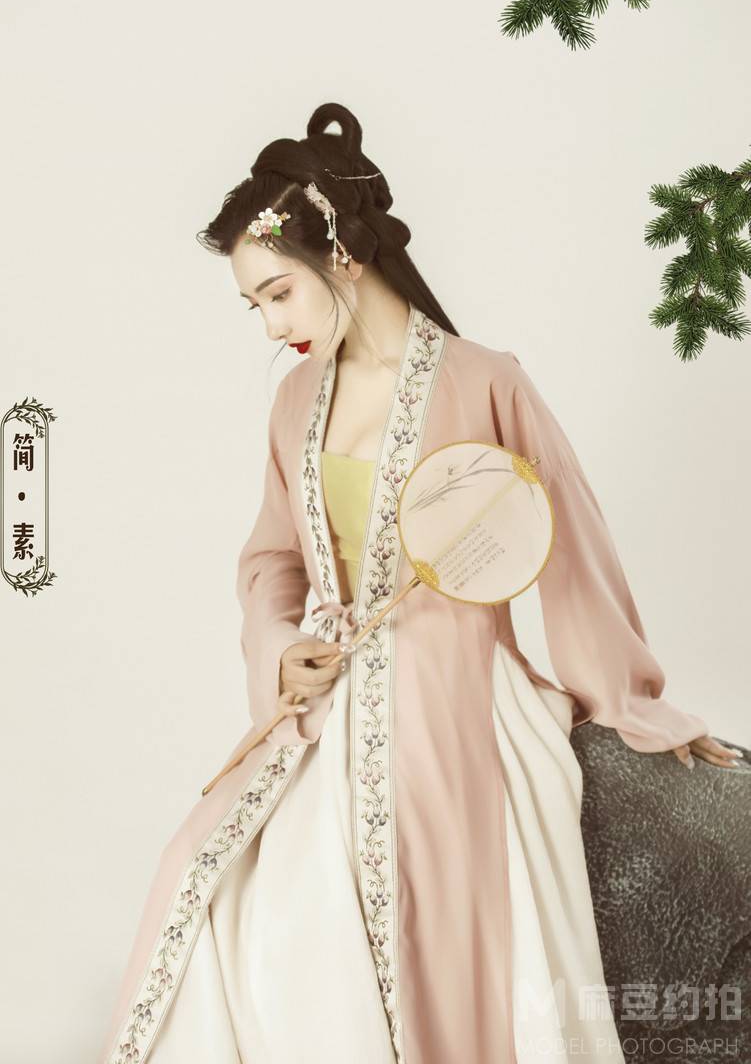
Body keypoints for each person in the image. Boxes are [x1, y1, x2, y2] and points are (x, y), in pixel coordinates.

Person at [99, 102, 740, 1064]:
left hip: (456, 694)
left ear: (340, 255)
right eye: (255, 305)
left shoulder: (484, 380)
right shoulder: (295, 399)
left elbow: (570, 549)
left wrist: (631, 703)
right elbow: (272, 559)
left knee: (420, 901)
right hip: (325, 703)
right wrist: (280, 649)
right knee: (205, 871)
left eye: (279, 293)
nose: (271, 324)